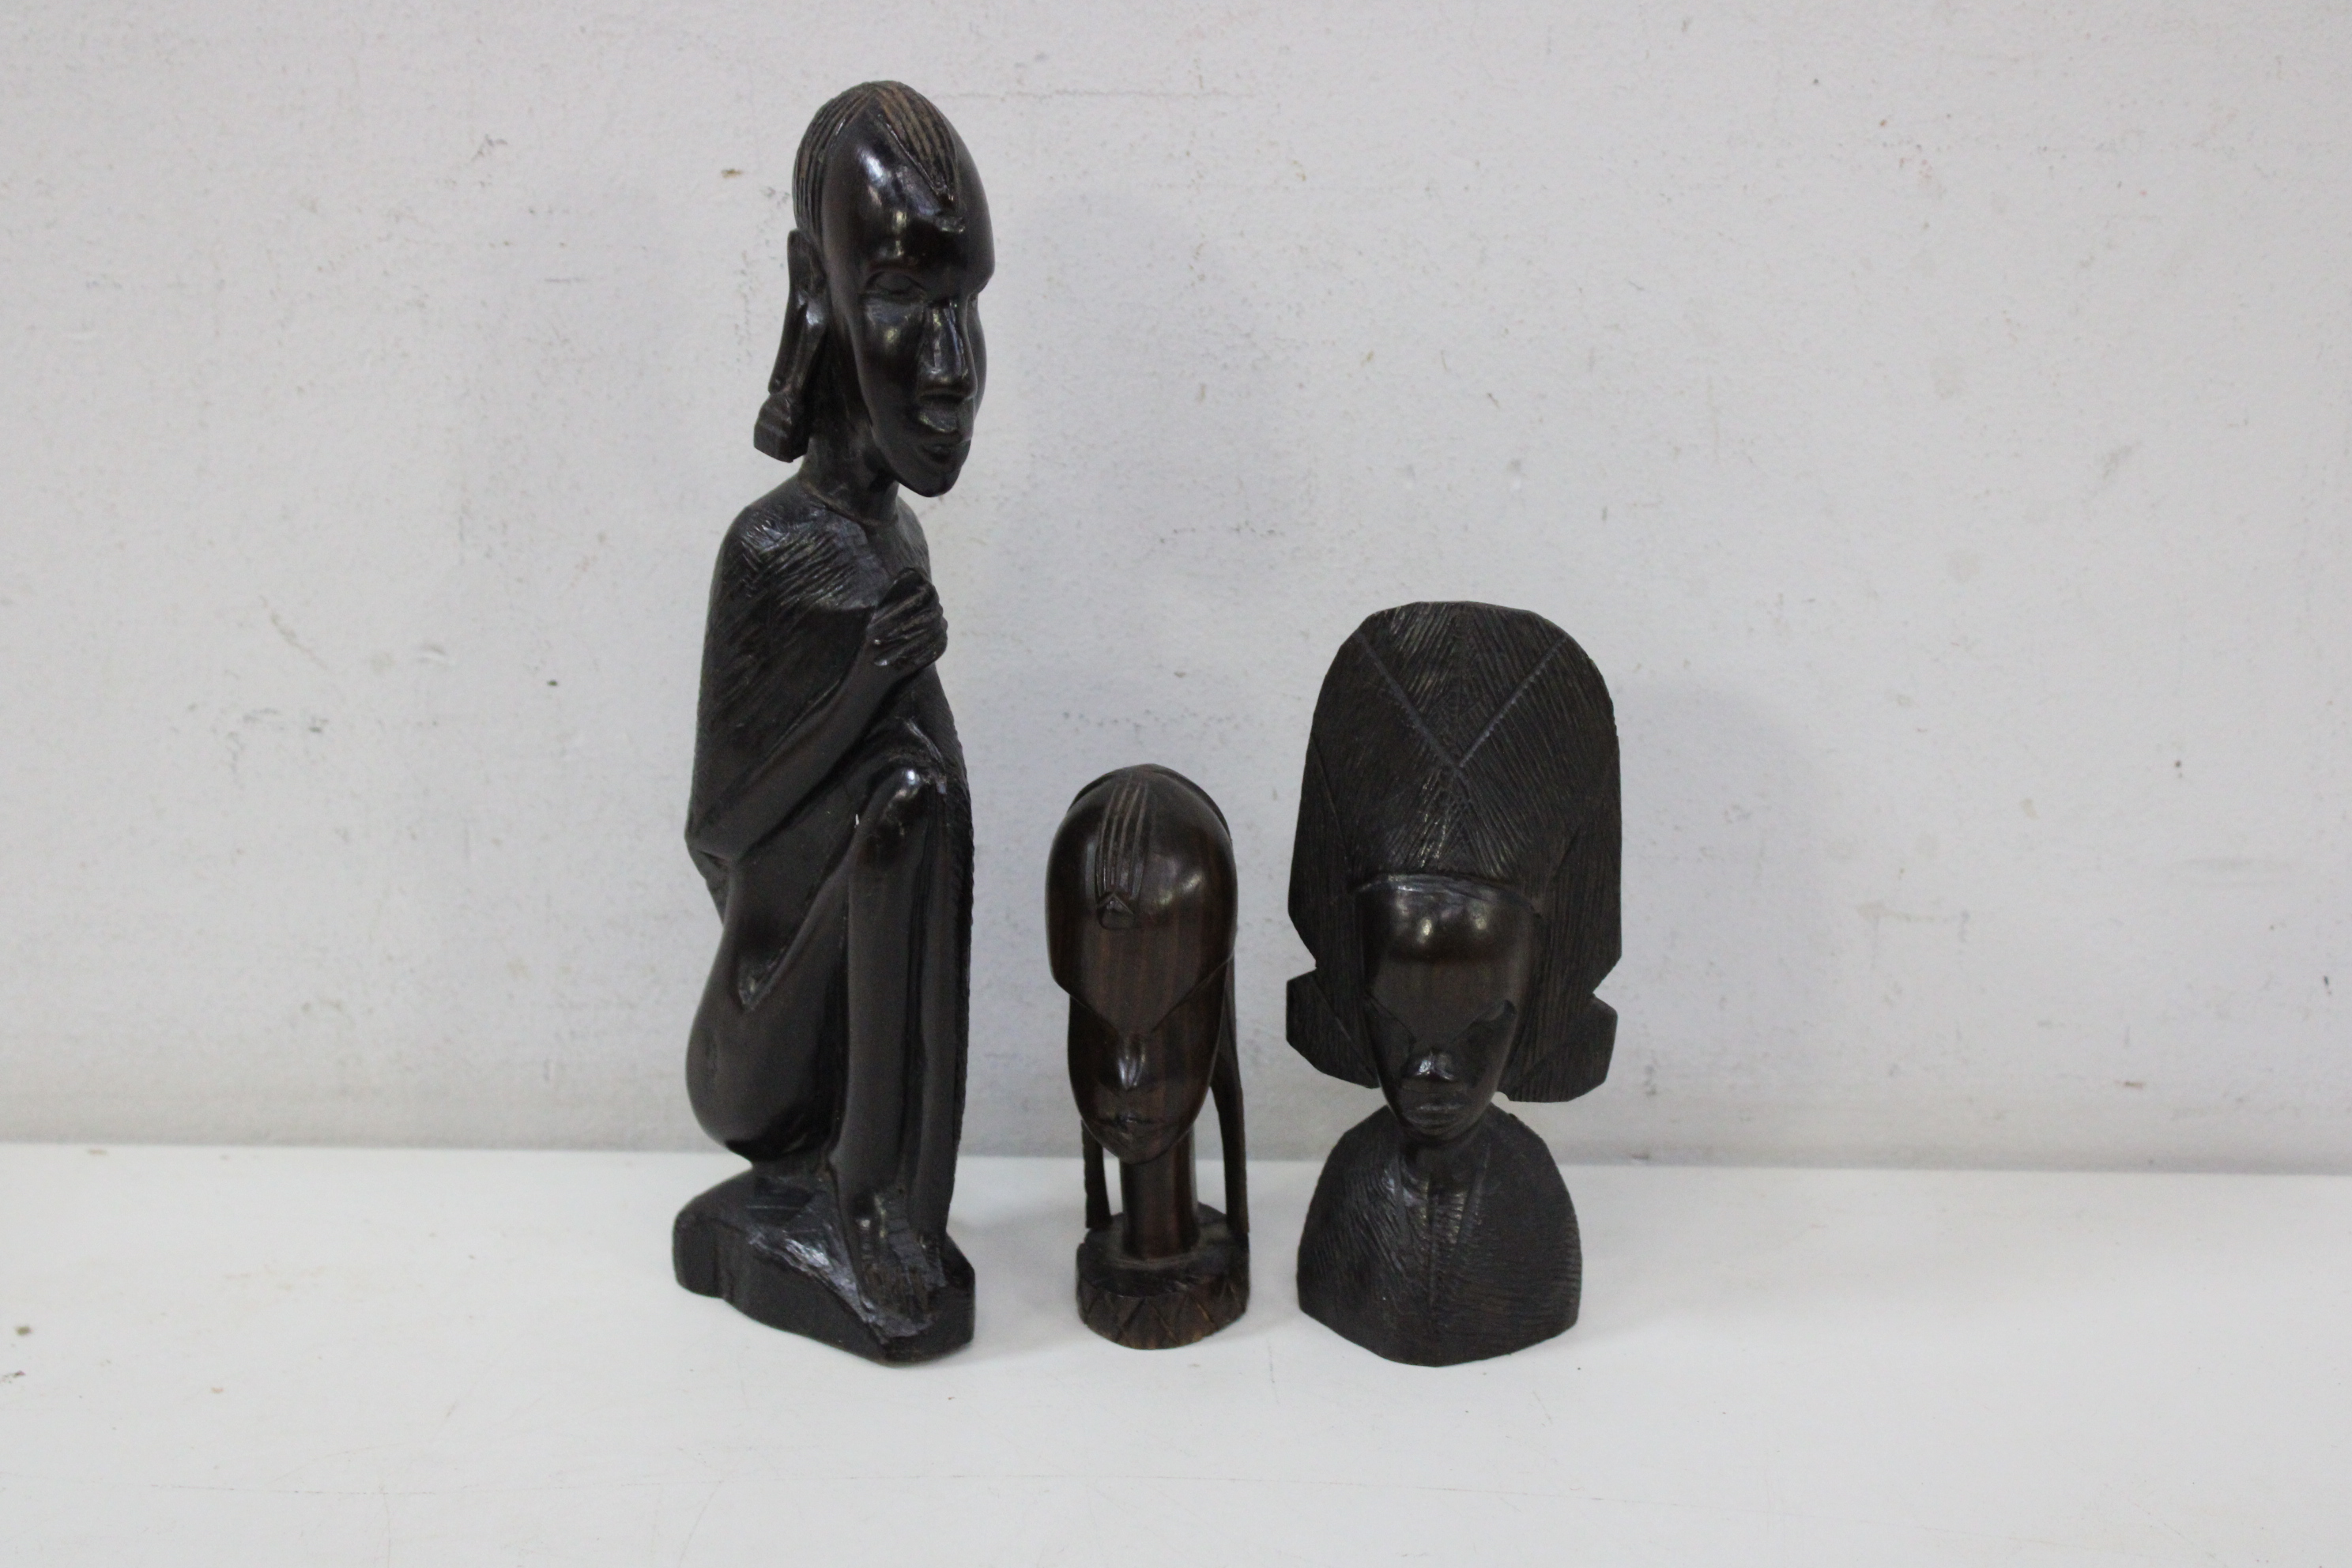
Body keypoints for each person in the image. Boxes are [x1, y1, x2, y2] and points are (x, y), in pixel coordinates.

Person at [674, 82, 990, 1362]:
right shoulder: (772, 552)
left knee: (919, 803)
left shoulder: (893, 540)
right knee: (905, 804)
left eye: (967, 304)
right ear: (818, 294)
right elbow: (719, 833)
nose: (953, 364)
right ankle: (861, 1196)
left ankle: (895, 1193)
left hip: (841, 1048)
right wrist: (860, 693)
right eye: (907, 298)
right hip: (755, 1055)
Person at [1287, 601, 1621, 1364]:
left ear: (1537, 1005)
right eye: (1398, 1024)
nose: (1432, 1072)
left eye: (1476, 1030)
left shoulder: (1531, 1200)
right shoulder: (1351, 1191)